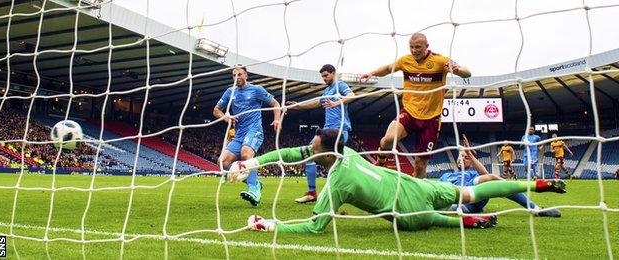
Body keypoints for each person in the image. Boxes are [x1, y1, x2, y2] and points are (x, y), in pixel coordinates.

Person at [227, 129, 566, 233]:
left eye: (312, 150)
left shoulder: (337, 184)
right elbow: (289, 153)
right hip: (418, 185)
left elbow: (315, 228)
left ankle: (464, 221)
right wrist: (252, 162)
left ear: (324, 155)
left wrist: (270, 225)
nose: (307, 152)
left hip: (409, 208)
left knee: (429, 218)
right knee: (475, 187)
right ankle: (535, 185)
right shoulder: (343, 151)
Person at [359, 33, 471, 179]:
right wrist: (371, 73)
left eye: (417, 47)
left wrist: (458, 70)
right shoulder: (405, 61)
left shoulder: (439, 61)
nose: (414, 50)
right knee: (388, 139)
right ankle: (381, 161)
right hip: (410, 113)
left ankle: (417, 195)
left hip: (431, 119)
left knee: (420, 164)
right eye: (411, 47)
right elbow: (388, 68)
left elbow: (467, 73)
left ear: (426, 46)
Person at [441, 135, 561, 217]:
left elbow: (486, 176)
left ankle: (536, 208)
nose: (463, 158)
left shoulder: (473, 174)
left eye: (467, 158)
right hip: (452, 199)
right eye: (462, 156)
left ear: (472, 162)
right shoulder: (446, 175)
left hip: (470, 197)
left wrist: (471, 156)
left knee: (489, 179)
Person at [286, 64, 356, 203]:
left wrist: (336, 103)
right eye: (322, 76)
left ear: (333, 73)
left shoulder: (340, 86)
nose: (324, 78)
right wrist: (298, 105)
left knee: (337, 161)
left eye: (326, 75)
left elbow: (352, 95)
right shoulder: (327, 90)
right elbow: (316, 103)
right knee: (309, 154)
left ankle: (341, 191)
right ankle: (312, 193)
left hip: (340, 129)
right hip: (326, 130)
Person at [213, 65, 281, 206]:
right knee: (222, 162)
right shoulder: (230, 92)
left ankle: (254, 190)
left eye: (240, 74)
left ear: (246, 75)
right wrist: (226, 117)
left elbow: (275, 103)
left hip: (254, 129)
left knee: (246, 155)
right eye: (234, 75)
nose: (237, 77)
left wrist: (276, 119)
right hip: (239, 134)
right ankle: (255, 182)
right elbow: (216, 110)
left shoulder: (256, 90)